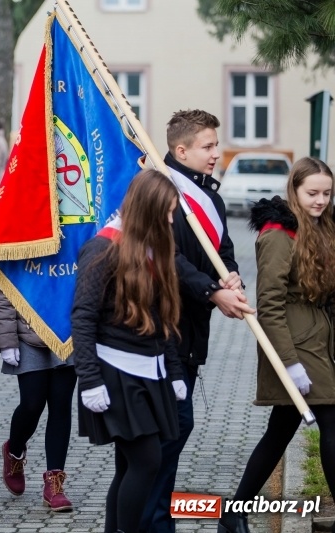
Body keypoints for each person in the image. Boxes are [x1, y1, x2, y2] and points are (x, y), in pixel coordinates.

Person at [140, 110, 255, 533]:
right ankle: (152, 520)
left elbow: (221, 246)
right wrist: (211, 291)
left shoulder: (212, 197)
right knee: (172, 427)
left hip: (191, 332)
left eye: (215, 145)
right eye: (207, 147)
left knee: (172, 431)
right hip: (160, 329)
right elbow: (166, 257)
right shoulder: (160, 191)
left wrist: (230, 275)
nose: (215, 154)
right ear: (180, 149)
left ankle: (156, 516)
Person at [218, 158, 335, 533]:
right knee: (331, 427)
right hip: (295, 346)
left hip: (320, 339)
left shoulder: (323, 227)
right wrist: (289, 363)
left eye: (327, 193)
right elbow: (269, 304)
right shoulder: (277, 235)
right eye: (312, 193)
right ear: (294, 191)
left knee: (280, 431)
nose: (320, 201)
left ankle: (233, 512)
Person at [73, 169, 186, 532]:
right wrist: (89, 380)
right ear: (147, 209)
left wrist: (175, 371)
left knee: (130, 465)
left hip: (149, 372)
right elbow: (83, 317)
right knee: (146, 461)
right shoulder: (103, 248)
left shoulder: (154, 247)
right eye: (166, 212)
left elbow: (162, 318)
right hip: (113, 372)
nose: (171, 219)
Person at [0, 279, 76, 511]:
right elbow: (2, 284)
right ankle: (14, 451)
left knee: (61, 405)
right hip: (26, 332)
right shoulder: (17, 241)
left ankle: (54, 483)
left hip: (66, 332)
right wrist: (6, 340)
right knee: (32, 403)